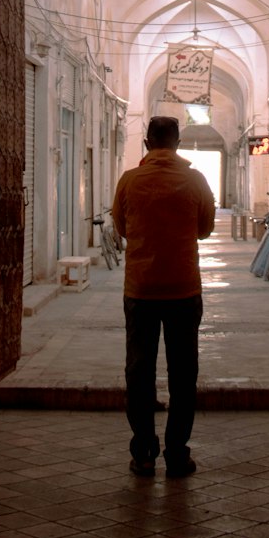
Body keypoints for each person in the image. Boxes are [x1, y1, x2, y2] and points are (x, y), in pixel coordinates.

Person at [111, 115, 215, 478]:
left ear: (146, 143)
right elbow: (204, 230)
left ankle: (143, 454)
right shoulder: (195, 180)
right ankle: (176, 454)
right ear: (177, 143)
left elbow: (121, 227)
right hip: (184, 291)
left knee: (139, 372)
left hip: (140, 291)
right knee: (183, 374)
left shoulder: (129, 181)